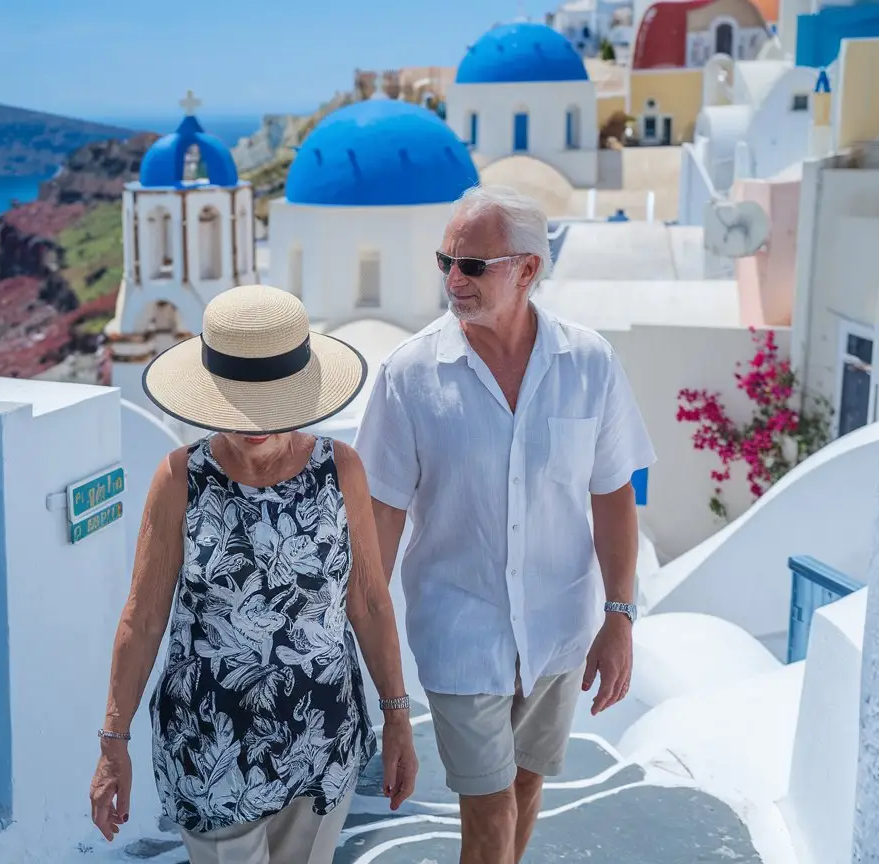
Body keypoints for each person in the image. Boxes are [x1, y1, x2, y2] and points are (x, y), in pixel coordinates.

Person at [353, 184, 656, 864]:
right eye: (445, 263)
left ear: (527, 269)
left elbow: (612, 494)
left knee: (525, 781)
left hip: (558, 629)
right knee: (486, 807)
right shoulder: (410, 376)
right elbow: (380, 523)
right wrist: (376, 664)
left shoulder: (590, 364)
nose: (453, 280)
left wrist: (619, 617)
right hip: (462, 633)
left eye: (473, 265)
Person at [90, 284, 418, 863]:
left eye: (274, 400)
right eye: (240, 402)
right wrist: (112, 744)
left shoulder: (341, 470)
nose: (255, 421)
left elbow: (367, 602)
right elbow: (142, 619)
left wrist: (398, 719)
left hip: (323, 740)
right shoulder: (179, 480)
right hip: (208, 749)